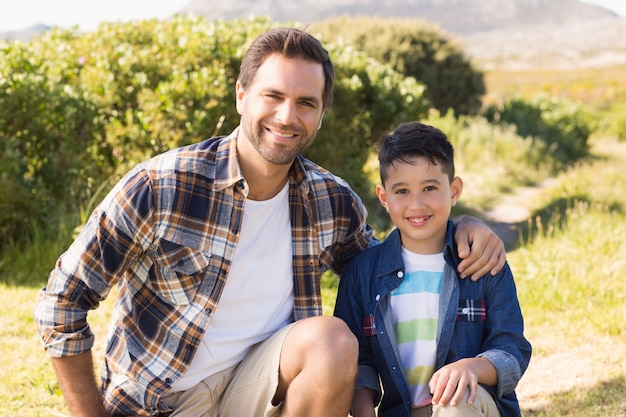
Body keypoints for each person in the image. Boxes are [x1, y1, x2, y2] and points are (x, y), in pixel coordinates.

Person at [34, 28, 506, 417]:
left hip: (262, 395)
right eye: (273, 96)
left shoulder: (330, 200)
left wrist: (461, 225)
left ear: (320, 114)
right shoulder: (162, 187)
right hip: (160, 402)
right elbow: (62, 302)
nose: (287, 116)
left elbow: (387, 266)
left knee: (332, 342)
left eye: (306, 102)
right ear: (242, 96)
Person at [334, 122, 531, 417]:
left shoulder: (483, 262)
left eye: (429, 188)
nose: (416, 204)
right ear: (384, 197)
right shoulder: (362, 275)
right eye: (401, 191)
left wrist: (471, 367)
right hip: (400, 411)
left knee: (453, 404)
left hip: (470, 408)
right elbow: (358, 359)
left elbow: (512, 350)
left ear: (454, 190)